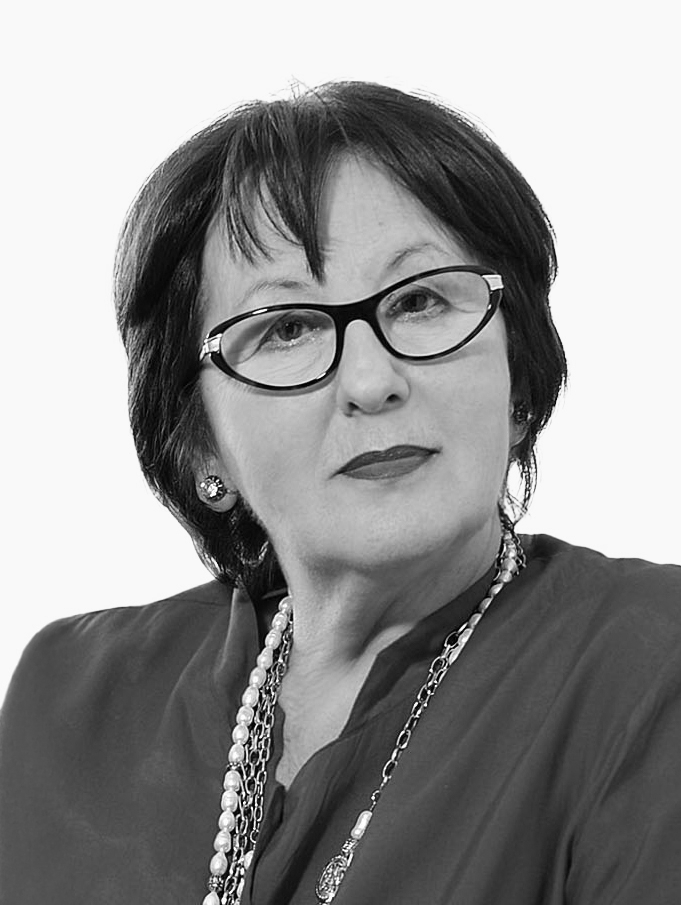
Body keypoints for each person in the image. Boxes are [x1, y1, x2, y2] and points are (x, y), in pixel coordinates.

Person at [1, 81, 680, 905]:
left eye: (420, 300)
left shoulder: (649, 664)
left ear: (519, 373)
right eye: (287, 326)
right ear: (199, 440)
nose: (370, 380)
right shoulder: (70, 697)